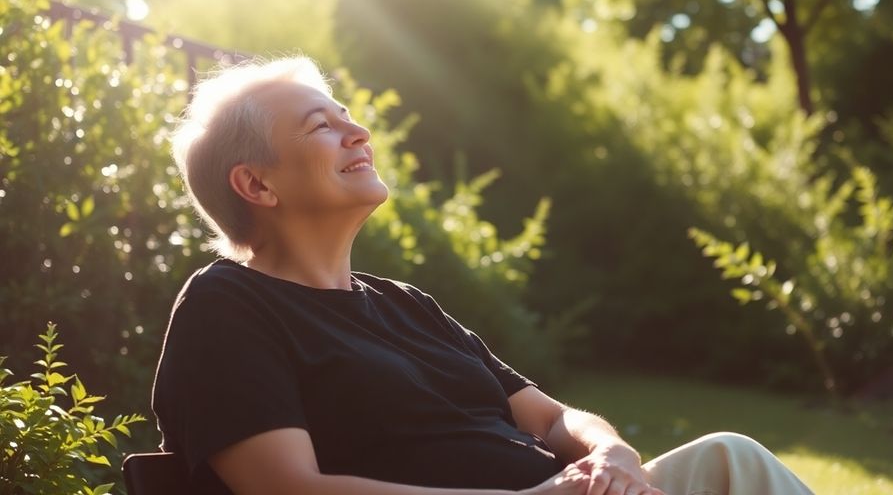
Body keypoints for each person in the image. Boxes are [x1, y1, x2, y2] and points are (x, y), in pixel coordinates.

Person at [152, 56, 814, 495]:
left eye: (349, 115)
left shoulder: (407, 306)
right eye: (323, 125)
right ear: (256, 184)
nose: (358, 133)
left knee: (732, 460)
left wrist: (611, 453)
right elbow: (287, 488)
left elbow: (556, 422)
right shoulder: (227, 307)